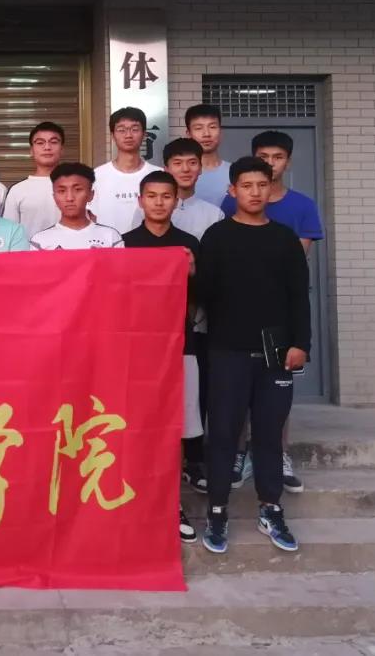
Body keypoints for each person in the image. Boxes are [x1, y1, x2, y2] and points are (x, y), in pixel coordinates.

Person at [196, 156, 311, 556]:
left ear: (270, 188)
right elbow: (202, 294)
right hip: (226, 350)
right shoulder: (216, 237)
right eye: (246, 186)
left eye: (262, 185)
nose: (255, 192)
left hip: (275, 353)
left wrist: (301, 344)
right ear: (233, 191)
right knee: (223, 433)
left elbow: (299, 297)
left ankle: (271, 509)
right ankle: (217, 511)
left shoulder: (284, 238)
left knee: (268, 434)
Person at [220, 130, 324, 494]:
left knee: (276, 396)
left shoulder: (302, 206)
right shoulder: (230, 204)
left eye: (277, 157)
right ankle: (239, 454)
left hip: (279, 314)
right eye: (263, 156)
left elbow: (296, 261)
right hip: (238, 316)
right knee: (237, 395)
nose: (270, 163)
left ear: (288, 162)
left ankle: (279, 456)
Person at [122, 171, 203, 546]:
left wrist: (192, 273)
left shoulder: (188, 245)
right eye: (151, 196)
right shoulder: (124, 244)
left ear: (176, 200)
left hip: (180, 346)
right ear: (140, 200)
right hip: (134, 351)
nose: (158, 202)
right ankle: (135, 501)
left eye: (166, 196)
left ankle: (173, 504)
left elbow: (208, 297)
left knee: (177, 429)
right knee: (135, 428)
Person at [156, 137, 224, 495]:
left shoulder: (212, 214)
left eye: (191, 162)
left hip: (198, 318)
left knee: (196, 392)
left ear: (201, 166)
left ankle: (195, 460)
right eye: (177, 163)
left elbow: (215, 270)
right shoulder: (151, 210)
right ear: (166, 168)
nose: (185, 169)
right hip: (157, 324)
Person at [92, 107, 162, 235]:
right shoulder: (97, 176)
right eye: (121, 130)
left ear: (144, 134)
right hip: (109, 246)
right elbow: (90, 219)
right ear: (112, 135)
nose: (128, 135)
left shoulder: (159, 175)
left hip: (149, 246)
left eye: (135, 129)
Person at [30, 163, 123, 250]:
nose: (69, 198)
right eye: (62, 191)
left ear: (91, 195)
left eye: (78, 190)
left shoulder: (111, 237)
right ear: (54, 197)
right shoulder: (40, 241)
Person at [2, 121, 65, 239]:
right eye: (40, 143)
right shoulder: (17, 190)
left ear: (62, 149)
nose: (47, 147)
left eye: (53, 142)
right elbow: (9, 235)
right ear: (31, 150)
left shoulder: (75, 187)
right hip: (28, 251)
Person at [185, 104, 230, 208]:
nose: (206, 134)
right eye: (198, 128)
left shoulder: (235, 173)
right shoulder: (180, 174)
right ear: (189, 134)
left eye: (212, 127)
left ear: (220, 131)